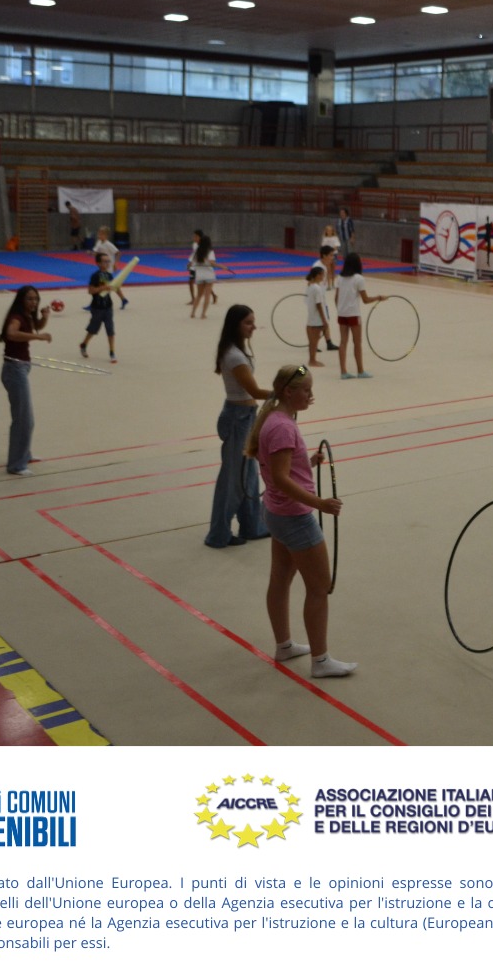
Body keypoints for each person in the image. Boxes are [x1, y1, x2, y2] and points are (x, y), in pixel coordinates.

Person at [245, 364, 357, 678]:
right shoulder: (283, 427)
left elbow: (280, 469)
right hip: (294, 517)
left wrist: (307, 463)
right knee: (320, 586)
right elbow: (281, 478)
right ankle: (321, 661)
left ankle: (284, 645)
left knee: (280, 580)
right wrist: (319, 503)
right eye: (306, 390)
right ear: (288, 391)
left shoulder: (274, 418)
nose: (311, 396)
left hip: (276, 513)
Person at [206, 304, 272, 548]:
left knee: (249, 476)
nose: (253, 327)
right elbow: (254, 390)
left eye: (253, 322)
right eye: (248, 323)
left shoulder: (237, 351)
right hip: (238, 418)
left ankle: (252, 525)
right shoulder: (234, 356)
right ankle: (218, 534)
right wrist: (283, 393)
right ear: (236, 325)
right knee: (233, 480)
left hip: (246, 416)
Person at [0, 286, 52, 475]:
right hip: (14, 370)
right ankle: (16, 464)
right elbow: (11, 333)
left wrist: (44, 317)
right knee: (23, 419)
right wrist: (38, 337)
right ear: (21, 299)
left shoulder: (26, 315)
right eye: (30, 299)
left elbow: (36, 325)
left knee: (26, 418)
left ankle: (24, 454)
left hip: (21, 368)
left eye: (36, 299)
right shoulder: (16, 317)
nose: (34, 302)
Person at [334, 252, 386, 379]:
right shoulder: (359, 279)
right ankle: (360, 371)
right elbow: (365, 300)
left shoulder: (340, 278)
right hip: (353, 314)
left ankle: (343, 372)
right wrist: (379, 297)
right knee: (357, 342)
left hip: (342, 314)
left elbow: (336, 298)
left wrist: (341, 310)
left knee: (343, 342)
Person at [80, 250, 118, 362]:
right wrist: (102, 288)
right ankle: (84, 344)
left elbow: (113, 287)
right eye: (105, 261)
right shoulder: (95, 276)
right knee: (93, 329)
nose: (107, 263)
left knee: (110, 330)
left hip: (108, 307)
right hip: (97, 307)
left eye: (108, 261)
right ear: (98, 263)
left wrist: (114, 287)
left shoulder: (109, 275)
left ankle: (112, 352)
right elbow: (90, 291)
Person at [309, 246, 338, 350]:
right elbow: (311, 282)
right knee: (318, 322)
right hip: (317, 299)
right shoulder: (317, 266)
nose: (333, 257)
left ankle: (328, 342)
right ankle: (314, 344)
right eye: (331, 255)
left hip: (321, 297)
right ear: (324, 255)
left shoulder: (325, 266)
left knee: (324, 320)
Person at [93, 226, 128, 309]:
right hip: (102, 267)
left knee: (102, 286)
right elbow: (96, 252)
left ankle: (95, 303)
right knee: (113, 285)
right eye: (99, 234)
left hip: (108, 268)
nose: (99, 235)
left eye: (101, 234)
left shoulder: (108, 244)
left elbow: (118, 253)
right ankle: (123, 299)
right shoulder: (99, 242)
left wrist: (116, 263)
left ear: (106, 236)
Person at [304, 266, 331, 367]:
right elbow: (319, 305)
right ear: (317, 275)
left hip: (311, 319)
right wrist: (324, 320)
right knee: (314, 343)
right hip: (316, 320)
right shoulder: (317, 288)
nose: (323, 276)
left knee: (312, 342)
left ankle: (311, 361)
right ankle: (312, 361)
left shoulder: (310, 286)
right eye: (322, 274)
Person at [190, 233, 217, 319]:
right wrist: (221, 266)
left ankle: (193, 313)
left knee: (198, 295)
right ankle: (203, 314)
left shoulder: (197, 251)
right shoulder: (210, 252)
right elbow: (212, 263)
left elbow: (192, 263)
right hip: (209, 275)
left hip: (199, 275)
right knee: (207, 296)